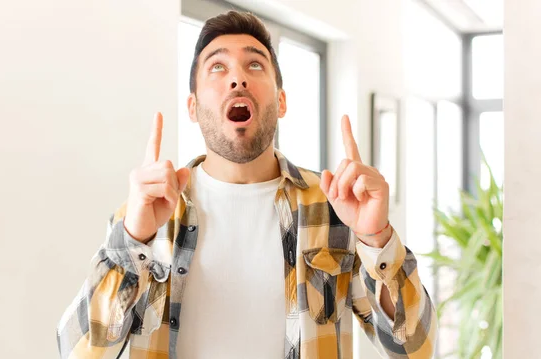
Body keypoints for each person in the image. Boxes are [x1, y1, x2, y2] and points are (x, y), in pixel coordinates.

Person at [57, 10, 437, 359]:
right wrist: (133, 239)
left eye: (255, 64)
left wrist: (376, 239)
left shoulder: (334, 208)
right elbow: (78, 350)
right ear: (192, 106)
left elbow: (416, 347)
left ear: (282, 100)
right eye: (217, 67)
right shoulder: (148, 214)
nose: (237, 77)